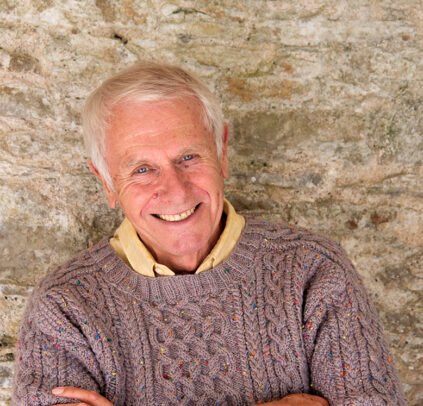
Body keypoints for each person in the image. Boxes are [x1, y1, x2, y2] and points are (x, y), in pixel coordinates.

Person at [12, 62, 406, 406]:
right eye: (143, 169)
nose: (176, 190)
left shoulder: (312, 270)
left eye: (188, 157)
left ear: (222, 152)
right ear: (106, 182)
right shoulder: (64, 307)